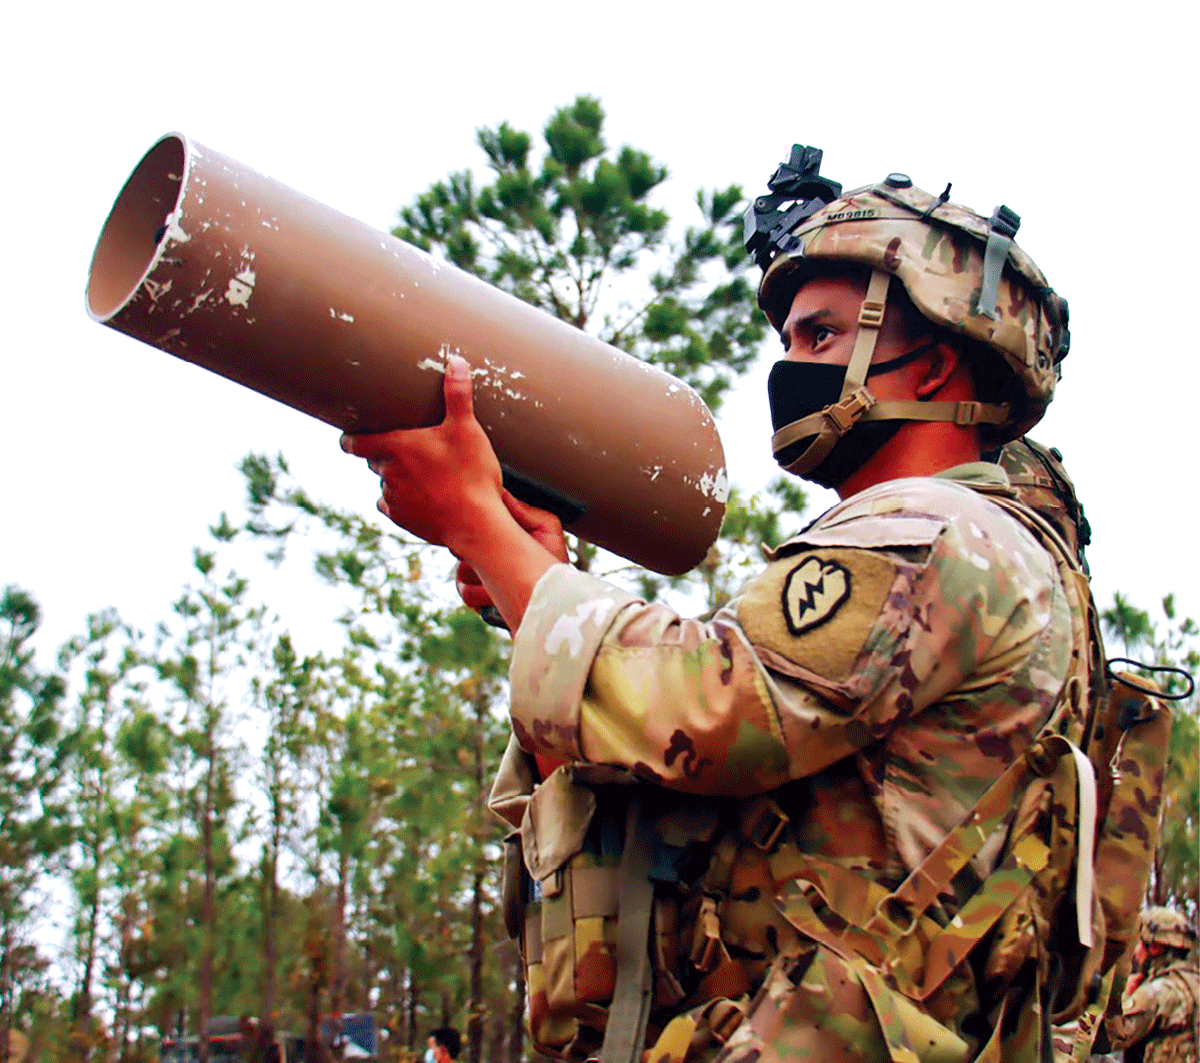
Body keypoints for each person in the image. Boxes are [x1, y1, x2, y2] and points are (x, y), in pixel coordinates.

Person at [342, 147, 1098, 1063]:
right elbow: (677, 770)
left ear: (935, 368)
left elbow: (704, 705)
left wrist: (475, 520)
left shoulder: (940, 533)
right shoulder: (999, 546)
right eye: (788, 339)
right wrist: (527, 577)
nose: (791, 363)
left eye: (821, 335)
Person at [1106, 907, 1199, 1063]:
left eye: (1138, 943)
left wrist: (1121, 997)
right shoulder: (1193, 982)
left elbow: (1111, 1037)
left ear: (1155, 948)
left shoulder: (1157, 991)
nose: (1135, 952)